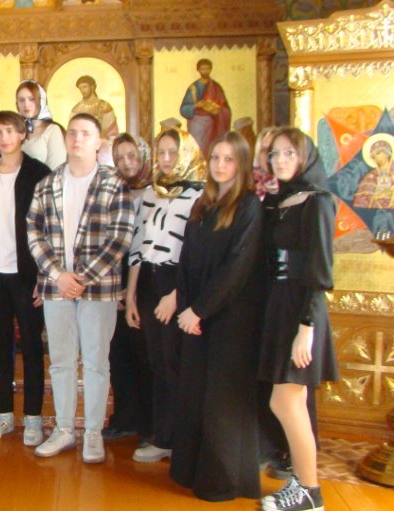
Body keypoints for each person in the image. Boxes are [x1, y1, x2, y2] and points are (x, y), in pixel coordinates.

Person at [27, 113, 135, 463]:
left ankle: (92, 433)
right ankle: (63, 429)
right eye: (72, 133)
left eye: (86, 134)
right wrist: (59, 275)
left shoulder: (113, 184)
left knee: (96, 363)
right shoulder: (47, 184)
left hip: (99, 289)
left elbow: (120, 238)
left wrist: (81, 278)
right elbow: (34, 232)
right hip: (56, 287)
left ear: (98, 142)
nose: (77, 139)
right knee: (60, 362)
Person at [170, 131, 264, 501]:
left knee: (221, 403)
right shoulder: (203, 203)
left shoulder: (249, 205)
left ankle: (222, 481)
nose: (220, 165)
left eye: (229, 159)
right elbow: (186, 259)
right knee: (195, 394)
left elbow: (237, 266)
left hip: (229, 317)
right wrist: (186, 308)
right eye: (215, 158)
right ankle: (190, 471)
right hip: (196, 316)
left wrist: (200, 309)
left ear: (241, 164)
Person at [258, 128, 337, 511]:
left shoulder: (318, 201)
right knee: (287, 401)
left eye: (289, 153)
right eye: (275, 154)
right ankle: (304, 483)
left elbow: (320, 272)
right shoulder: (285, 199)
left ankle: (310, 492)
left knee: (287, 402)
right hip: (281, 306)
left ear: (305, 156)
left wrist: (306, 328)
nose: (280, 160)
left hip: (303, 311)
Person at [125, 128, 205, 463]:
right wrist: (131, 296)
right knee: (156, 362)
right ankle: (163, 436)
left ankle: (183, 441)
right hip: (148, 281)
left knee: (177, 364)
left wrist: (176, 295)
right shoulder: (151, 193)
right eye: (162, 152)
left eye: (174, 152)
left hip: (178, 284)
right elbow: (138, 245)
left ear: (187, 153)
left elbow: (195, 253)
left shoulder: (200, 196)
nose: (168, 159)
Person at [0, 111, 49, 445]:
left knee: (31, 347)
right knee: (0, 347)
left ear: (22, 134)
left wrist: (45, 277)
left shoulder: (39, 174)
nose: (4, 138)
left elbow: (51, 229)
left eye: (10, 131)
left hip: (28, 277)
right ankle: (3, 413)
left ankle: (32, 417)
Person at [103, 132, 153, 443]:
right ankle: (125, 417)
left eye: (132, 155)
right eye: (120, 157)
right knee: (118, 354)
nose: (126, 162)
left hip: (147, 279)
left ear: (144, 155)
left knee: (145, 355)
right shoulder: (114, 191)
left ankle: (151, 424)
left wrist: (130, 291)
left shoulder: (159, 191)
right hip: (115, 276)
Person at [180, 59, 231, 155]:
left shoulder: (216, 87)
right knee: (197, 151)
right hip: (196, 124)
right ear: (198, 70)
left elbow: (225, 109)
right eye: (202, 69)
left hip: (212, 124)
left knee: (210, 150)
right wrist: (196, 105)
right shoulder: (193, 88)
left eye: (207, 68)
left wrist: (218, 111)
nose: (205, 71)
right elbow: (183, 109)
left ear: (211, 69)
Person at [16, 80, 67, 170]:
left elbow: (56, 170)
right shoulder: (15, 130)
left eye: (32, 99)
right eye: (21, 100)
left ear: (41, 101)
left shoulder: (53, 130)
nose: (26, 104)